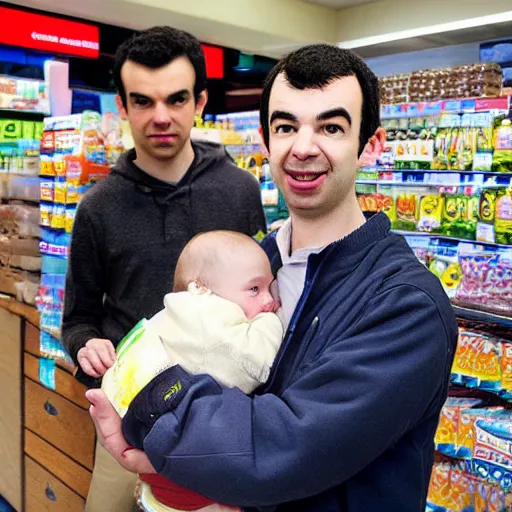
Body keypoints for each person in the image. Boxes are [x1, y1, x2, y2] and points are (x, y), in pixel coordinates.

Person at [87, 44, 459, 512]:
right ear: (265, 142)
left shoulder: (406, 306)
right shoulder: (255, 267)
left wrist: (147, 406)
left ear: (371, 145)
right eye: (286, 127)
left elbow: (280, 449)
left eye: (331, 127)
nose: (303, 147)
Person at [62, 26, 267, 512]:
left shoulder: (240, 190)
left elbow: (263, 293)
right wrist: (85, 346)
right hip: (128, 415)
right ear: (122, 107)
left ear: (199, 102)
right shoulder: (97, 207)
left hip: (226, 424)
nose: (160, 117)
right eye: (143, 101)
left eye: (176, 100)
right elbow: (78, 319)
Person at [103, 230, 283, 512]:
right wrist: (272, 321)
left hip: (153, 453)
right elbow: (257, 364)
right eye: (254, 289)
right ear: (200, 289)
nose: (268, 300)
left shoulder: (173, 314)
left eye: (270, 288)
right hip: (189, 480)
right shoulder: (207, 317)